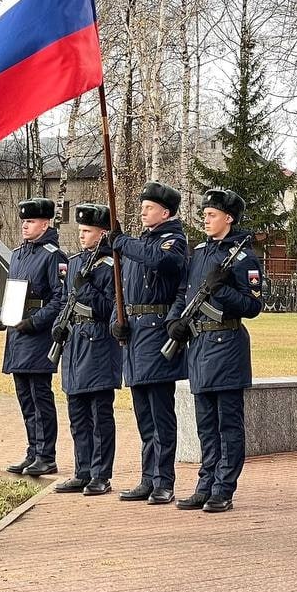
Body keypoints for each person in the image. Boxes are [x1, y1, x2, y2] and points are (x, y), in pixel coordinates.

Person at [166, 188, 262, 513]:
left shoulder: (243, 257)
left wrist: (223, 291)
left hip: (227, 345)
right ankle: (205, 482)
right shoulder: (200, 252)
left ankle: (224, 487)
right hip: (199, 345)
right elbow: (184, 292)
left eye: (212, 214)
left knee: (228, 424)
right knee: (205, 423)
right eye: (205, 214)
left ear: (229, 218)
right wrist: (173, 322)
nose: (206, 218)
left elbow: (252, 306)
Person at [109, 181, 188, 505]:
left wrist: (123, 242)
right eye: (142, 207)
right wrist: (119, 320)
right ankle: (147, 477)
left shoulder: (173, 241)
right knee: (143, 413)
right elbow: (122, 288)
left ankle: (164, 481)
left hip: (157, 333)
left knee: (160, 414)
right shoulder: (138, 243)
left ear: (165, 212)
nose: (143, 211)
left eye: (149, 207)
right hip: (137, 333)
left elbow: (160, 261)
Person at [50, 203, 123, 497]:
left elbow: (112, 308)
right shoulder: (77, 262)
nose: (82, 235)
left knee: (99, 415)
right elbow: (68, 301)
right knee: (77, 415)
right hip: (75, 343)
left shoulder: (110, 267)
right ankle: (82, 471)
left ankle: (100, 475)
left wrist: (88, 288)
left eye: (88, 231)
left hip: (99, 343)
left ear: (102, 233)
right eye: (80, 230)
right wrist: (59, 325)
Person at [0, 198, 68, 477]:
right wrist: (1, 314)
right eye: (24, 221)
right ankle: (32, 450)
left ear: (45, 223)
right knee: (25, 397)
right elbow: (15, 291)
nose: (25, 225)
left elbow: (59, 298)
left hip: (37, 337)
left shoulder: (53, 255)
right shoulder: (19, 254)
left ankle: (46, 454)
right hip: (17, 336)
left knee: (40, 397)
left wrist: (35, 322)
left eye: (31, 221)